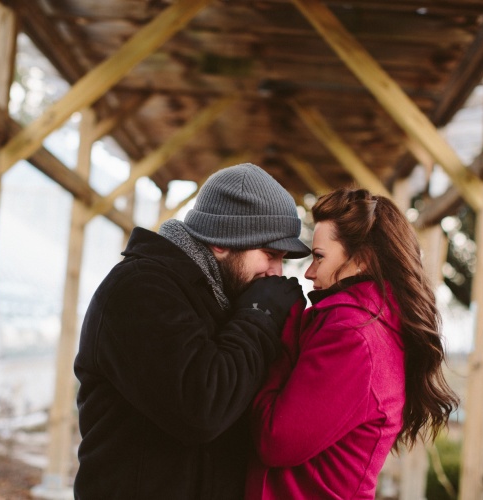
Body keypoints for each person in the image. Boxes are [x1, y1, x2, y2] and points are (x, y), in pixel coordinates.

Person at [74, 163, 310, 499]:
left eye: (283, 260)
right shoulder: (140, 289)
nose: (276, 272)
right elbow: (202, 407)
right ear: (221, 242)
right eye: (270, 255)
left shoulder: (220, 298)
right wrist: (261, 315)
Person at [246, 187, 459, 499]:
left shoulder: (352, 335)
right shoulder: (372, 324)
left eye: (319, 257)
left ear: (362, 260)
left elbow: (275, 442)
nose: (308, 272)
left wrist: (284, 329)